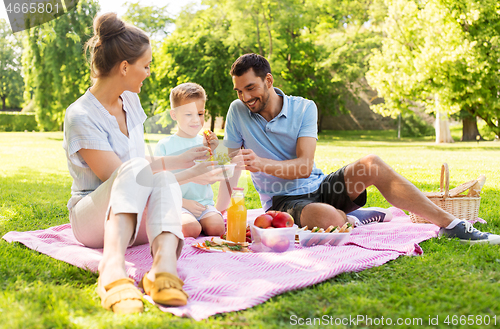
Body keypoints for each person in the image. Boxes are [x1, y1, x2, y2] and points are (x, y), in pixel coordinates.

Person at [216, 53, 500, 245]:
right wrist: (219, 212)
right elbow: (228, 165)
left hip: (320, 185)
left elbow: (303, 166)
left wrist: (260, 163)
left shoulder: (304, 107)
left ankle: (454, 226)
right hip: (283, 201)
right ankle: (354, 218)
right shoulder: (237, 111)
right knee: (326, 219)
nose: (245, 97)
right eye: (239, 91)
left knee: (372, 163)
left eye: (250, 88)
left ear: (268, 80)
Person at [63, 13, 221, 314]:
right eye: (145, 66)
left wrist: (182, 161)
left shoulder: (131, 102)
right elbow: (124, 176)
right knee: (145, 172)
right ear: (125, 67)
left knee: (164, 179)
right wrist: (181, 165)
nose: (148, 73)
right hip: (91, 218)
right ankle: (111, 268)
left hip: (135, 212)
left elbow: (145, 173)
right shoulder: (81, 115)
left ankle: (162, 270)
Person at [154, 83, 225, 238]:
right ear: (174, 115)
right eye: (188, 115)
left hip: (204, 204)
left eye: (199, 114)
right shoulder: (165, 145)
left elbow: (216, 175)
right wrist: (183, 203)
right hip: (178, 204)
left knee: (218, 228)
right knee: (191, 228)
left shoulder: (205, 142)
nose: (195, 120)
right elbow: (160, 183)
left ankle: (201, 223)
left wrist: (215, 150)